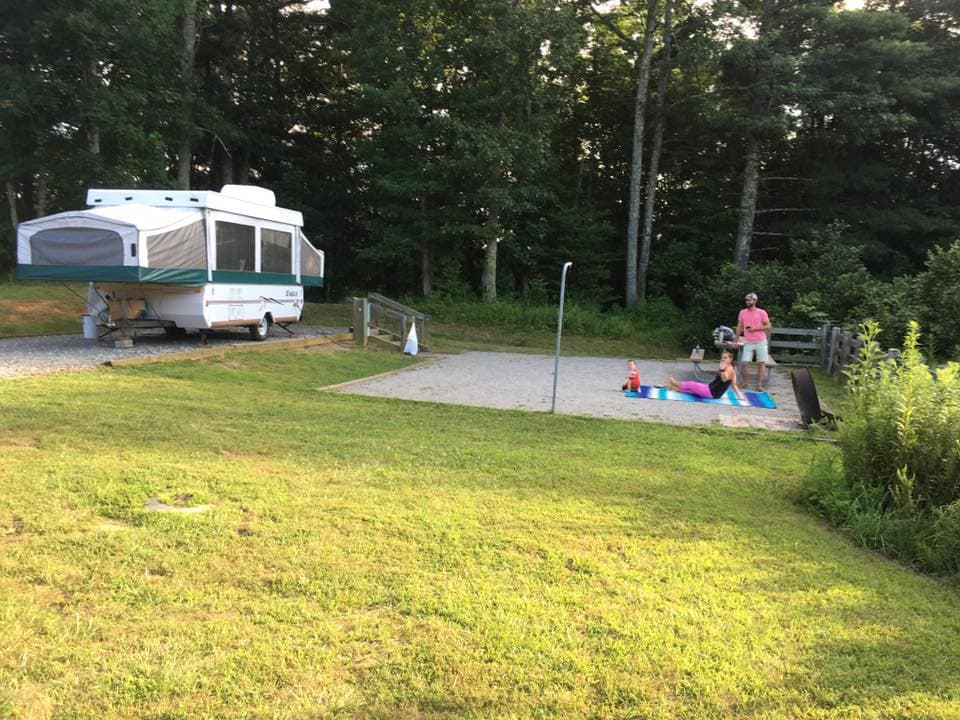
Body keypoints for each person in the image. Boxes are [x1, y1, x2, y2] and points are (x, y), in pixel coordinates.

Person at [668, 350, 746, 400]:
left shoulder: (730, 369)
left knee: (691, 384)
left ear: (730, 359)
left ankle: (674, 383)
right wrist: (740, 396)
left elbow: (724, 379)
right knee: (693, 391)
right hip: (711, 390)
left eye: (725, 358)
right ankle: (674, 388)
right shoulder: (729, 367)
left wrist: (722, 369)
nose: (723, 359)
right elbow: (734, 385)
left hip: (712, 392)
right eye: (722, 357)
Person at [735, 291, 771, 391]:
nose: (747, 302)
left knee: (761, 363)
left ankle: (759, 385)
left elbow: (768, 326)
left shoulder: (762, 312)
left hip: (761, 341)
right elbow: (739, 327)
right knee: (744, 363)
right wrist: (735, 340)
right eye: (746, 300)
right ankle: (746, 383)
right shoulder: (742, 312)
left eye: (749, 300)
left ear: (755, 301)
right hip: (748, 341)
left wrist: (755, 329)